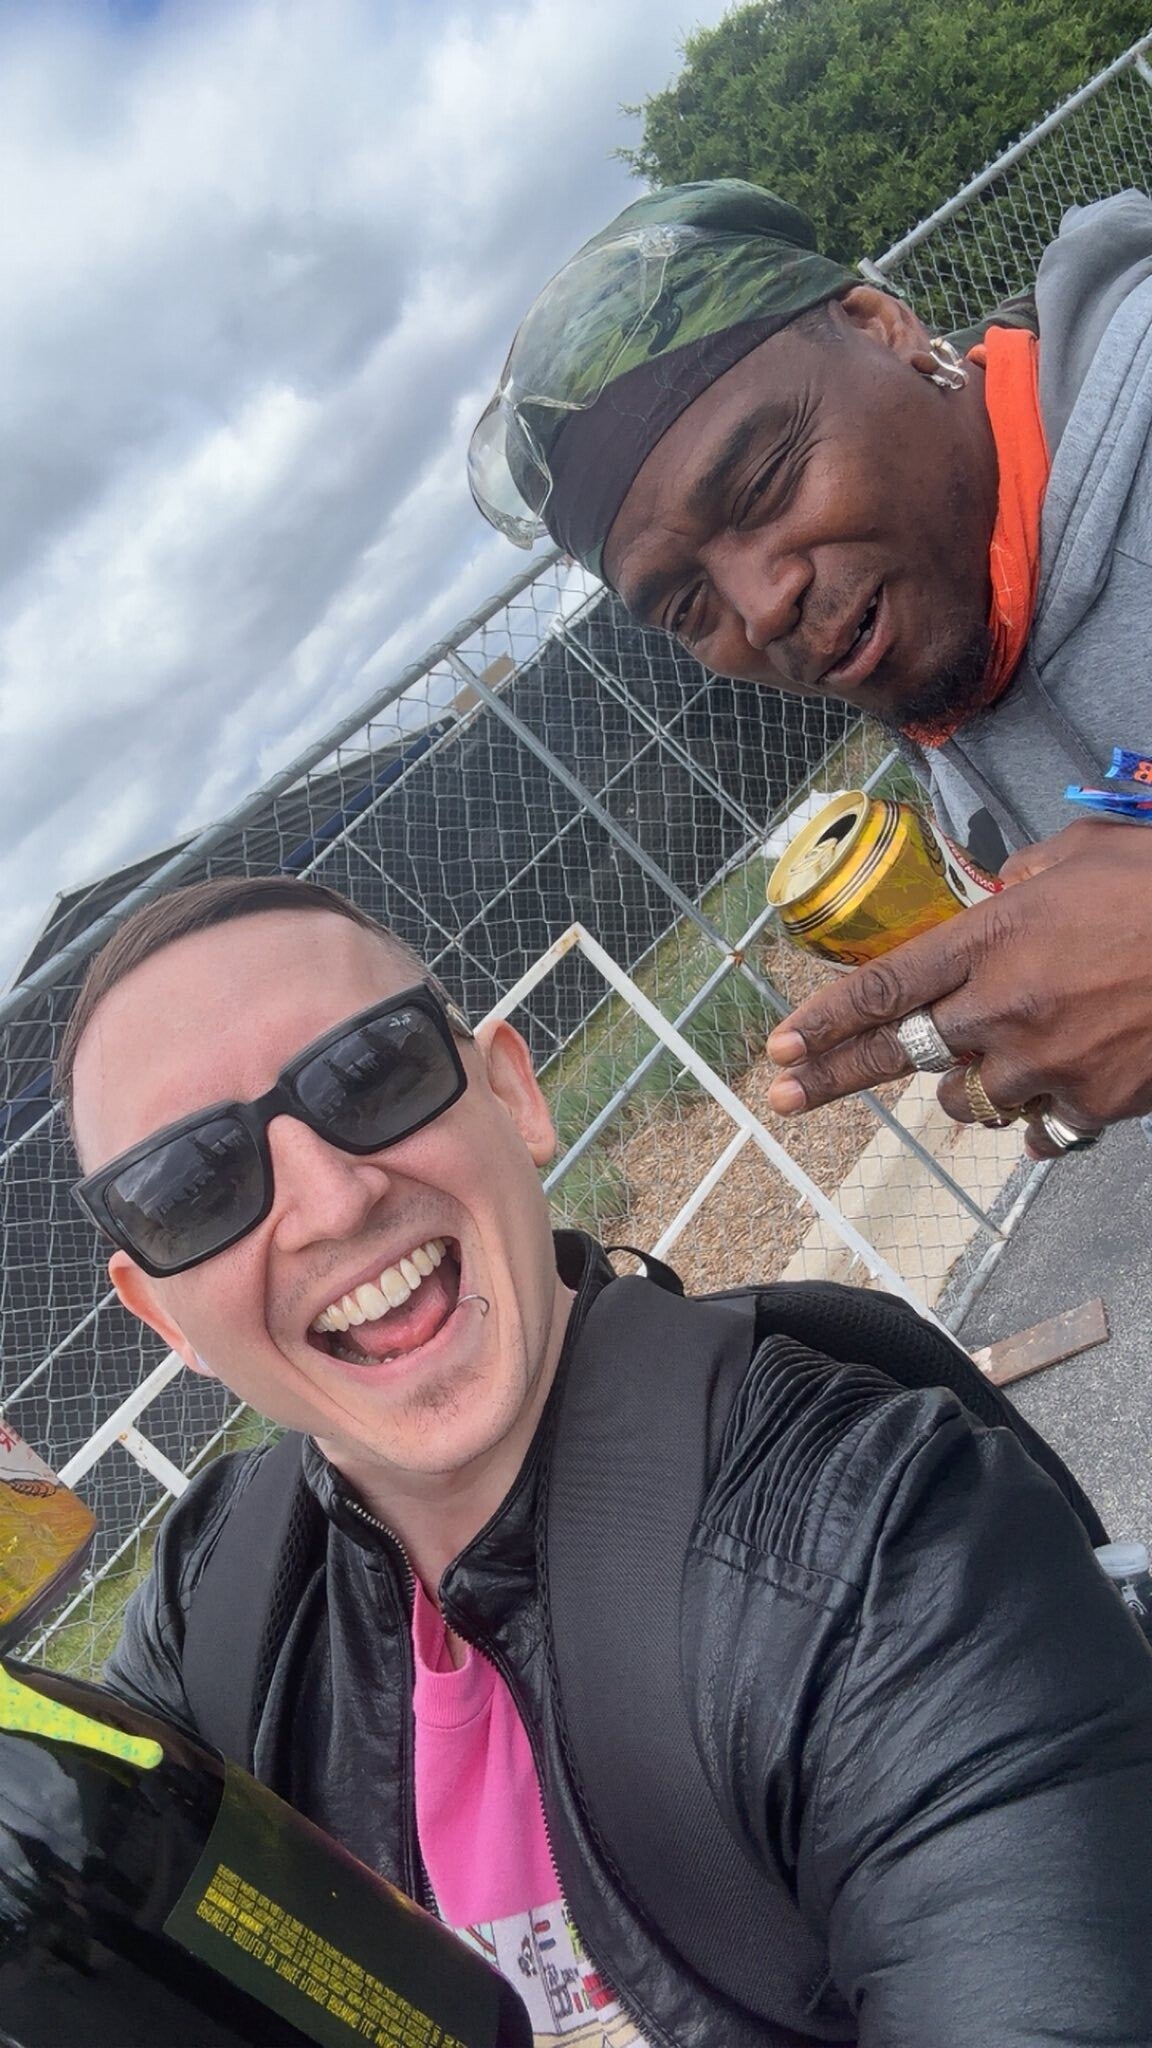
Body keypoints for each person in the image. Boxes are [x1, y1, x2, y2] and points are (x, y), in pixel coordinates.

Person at [60, 874, 1152, 2047]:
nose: (331, 1202)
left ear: (512, 1092)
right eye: (192, 1187)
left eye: (370, 1074)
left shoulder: (880, 1540)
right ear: (163, 1316)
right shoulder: (210, 1601)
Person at [469, 179, 1152, 1161]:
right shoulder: (942, 649)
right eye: (687, 607)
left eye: (763, 484)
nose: (761, 607)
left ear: (882, 328)